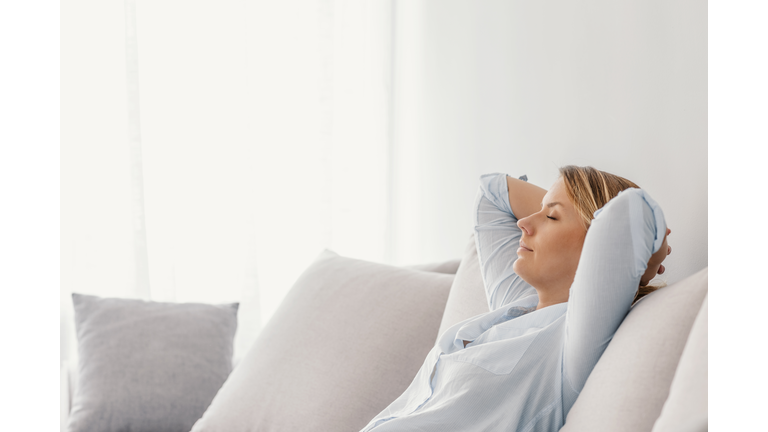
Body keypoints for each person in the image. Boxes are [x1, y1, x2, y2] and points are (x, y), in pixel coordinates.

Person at [359, 165, 672, 432]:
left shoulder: (573, 343)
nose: (524, 222)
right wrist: (563, 208)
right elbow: (492, 194)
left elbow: (632, 212)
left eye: (550, 217)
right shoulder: (515, 306)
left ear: (597, 246)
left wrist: (648, 252)